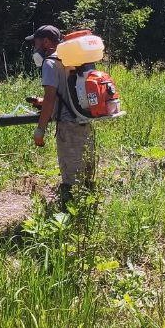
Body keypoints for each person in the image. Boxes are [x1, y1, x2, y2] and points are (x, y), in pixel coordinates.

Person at [26, 25, 96, 206]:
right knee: (87, 169)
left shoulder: (50, 63)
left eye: (36, 43)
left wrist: (40, 130)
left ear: (46, 42)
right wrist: (44, 101)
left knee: (70, 172)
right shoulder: (75, 58)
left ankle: (69, 212)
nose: (35, 47)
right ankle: (88, 205)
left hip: (68, 125)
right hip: (85, 121)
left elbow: (50, 98)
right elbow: (70, 91)